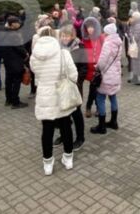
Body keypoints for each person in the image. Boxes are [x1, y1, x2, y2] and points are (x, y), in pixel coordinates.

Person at [30, 27, 78, 175]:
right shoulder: (63, 53)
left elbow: (36, 75)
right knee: (65, 126)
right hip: (61, 95)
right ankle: (68, 159)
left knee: (47, 129)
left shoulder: (34, 56)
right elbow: (74, 75)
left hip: (44, 96)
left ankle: (48, 164)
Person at [55, 25, 86, 150]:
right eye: (62, 36)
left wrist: (76, 82)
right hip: (61, 86)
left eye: (67, 36)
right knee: (63, 112)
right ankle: (64, 135)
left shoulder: (79, 47)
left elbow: (83, 68)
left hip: (74, 85)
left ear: (72, 36)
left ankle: (80, 138)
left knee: (76, 113)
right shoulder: (58, 48)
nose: (64, 38)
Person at [90, 23, 122, 134]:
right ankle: (114, 122)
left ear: (108, 33)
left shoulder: (108, 43)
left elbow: (102, 61)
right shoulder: (118, 42)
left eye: (105, 32)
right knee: (113, 96)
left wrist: (97, 67)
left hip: (107, 75)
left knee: (100, 98)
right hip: (115, 74)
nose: (103, 34)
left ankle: (102, 126)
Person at [0, 16, 29, 108]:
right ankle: (16, 102)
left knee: (9, 80)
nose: (19, 24)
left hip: (7, 61)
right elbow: (19, 47)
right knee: (16, 81)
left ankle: (8, 99)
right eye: (17, 22)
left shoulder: (4, 33)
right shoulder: (13, 34)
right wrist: (26, 53)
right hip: (15, 61)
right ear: (13, 24)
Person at [81, 17, 103, 118]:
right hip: (89, 68)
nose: (90, 29)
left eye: (92, 27)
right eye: (88, 27)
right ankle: (90, 106)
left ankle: (95, 107)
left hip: (99, 68)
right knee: (93, 88)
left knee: (97, 88)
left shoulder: (100, 38)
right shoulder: (84, 40)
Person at [128, 12, 140, 85]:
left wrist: (130, 32)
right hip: (138, 47)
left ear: (136, 18)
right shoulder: (138, 25)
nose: (131, 19)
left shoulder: (138, 26)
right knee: (137, 63)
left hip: (139, 48)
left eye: (132, 17)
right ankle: (136, 77)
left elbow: (135, 38)